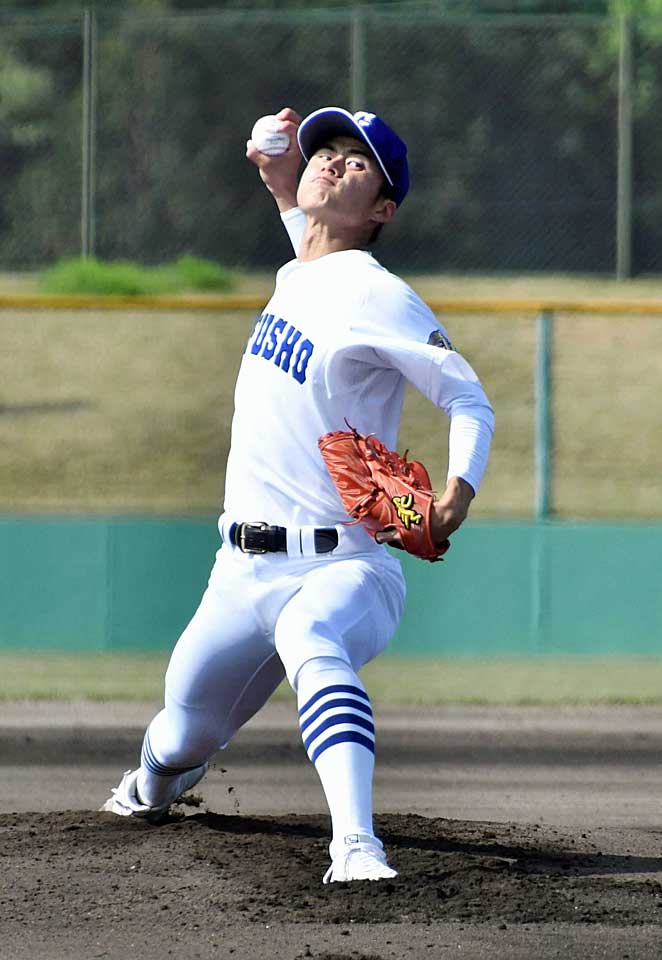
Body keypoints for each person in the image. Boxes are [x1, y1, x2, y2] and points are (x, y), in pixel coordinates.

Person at [101, 106, 495, 884]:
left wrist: (457, 492)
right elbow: (311, 252)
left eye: (359, 162)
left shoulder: (378, 294)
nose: (335, 161)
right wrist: (281, 181)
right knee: (182, 731)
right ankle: (154, 786)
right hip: (240, 571)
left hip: (343, 565)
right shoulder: (304, 270)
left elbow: (469, 400)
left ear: (383, 208)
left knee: (315, 637)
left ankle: (355, 845)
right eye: (330, 151)